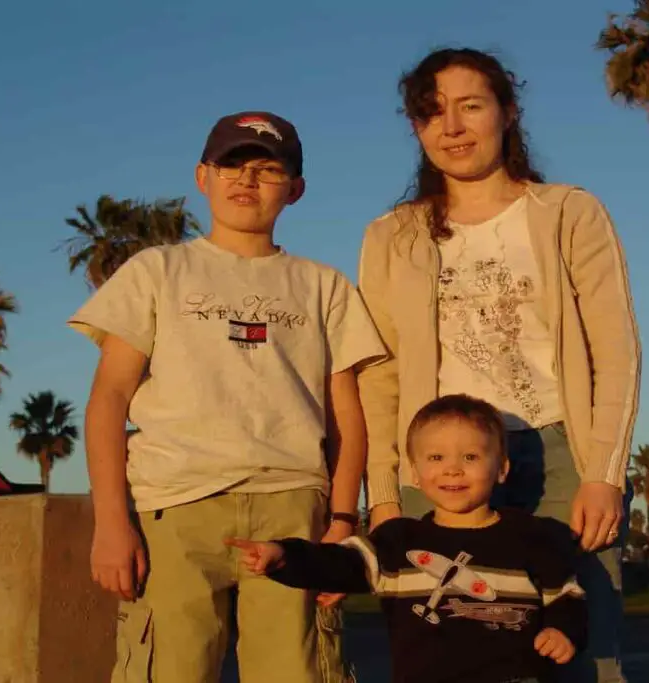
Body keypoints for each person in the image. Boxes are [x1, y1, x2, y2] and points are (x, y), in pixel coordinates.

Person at [69, 111, 385, 683]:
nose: (247, 180)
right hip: (175, 507)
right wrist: (111, 522)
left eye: (267, 169)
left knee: (299, 669)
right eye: (232, 165)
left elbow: (347, 416)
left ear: (295, 189)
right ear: (202, 176)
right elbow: (109, 398)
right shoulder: (157, 270)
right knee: (170, 668)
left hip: (292, 508)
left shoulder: (324, 285)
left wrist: (342, 521)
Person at [356, 48, 641, 683]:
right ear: (417, 128)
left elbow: (615, 348)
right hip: (434, 471)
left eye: (470, 106)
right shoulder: (391, 236)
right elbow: (379, 374)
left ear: (507, 112)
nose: (451, 127)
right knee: (443, 655)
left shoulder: (568, 212)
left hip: (559, 456)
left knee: (585, 654)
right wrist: (382, 496)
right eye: (432, 113)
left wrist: (605, 472)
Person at [228, 394, 588, 683]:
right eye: (436, 457)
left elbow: (567, 596)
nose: (452, 468)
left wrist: (562, 629)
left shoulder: (533, 537)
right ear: (415, 473)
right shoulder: (398, 542)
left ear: (502, 468)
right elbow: (339, 562)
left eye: (470, 456)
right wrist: (283, 555)